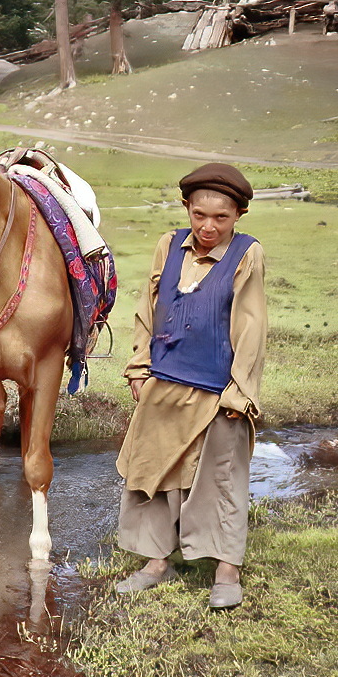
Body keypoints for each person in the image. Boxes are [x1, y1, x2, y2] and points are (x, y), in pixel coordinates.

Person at [114, 163, 266, 610]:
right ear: (186, 208)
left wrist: (241, 391)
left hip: (219, 389)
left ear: (239, 214)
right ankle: (157, 562)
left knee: (221, 478)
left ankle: (226, 570)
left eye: (221, 217)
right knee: (156, 473)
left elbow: (251, 324)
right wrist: (140, 367)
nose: (208, 226)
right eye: (199, 215)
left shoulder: (247, 254)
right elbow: (150, 307)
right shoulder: (168, 246)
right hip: (165, 379)